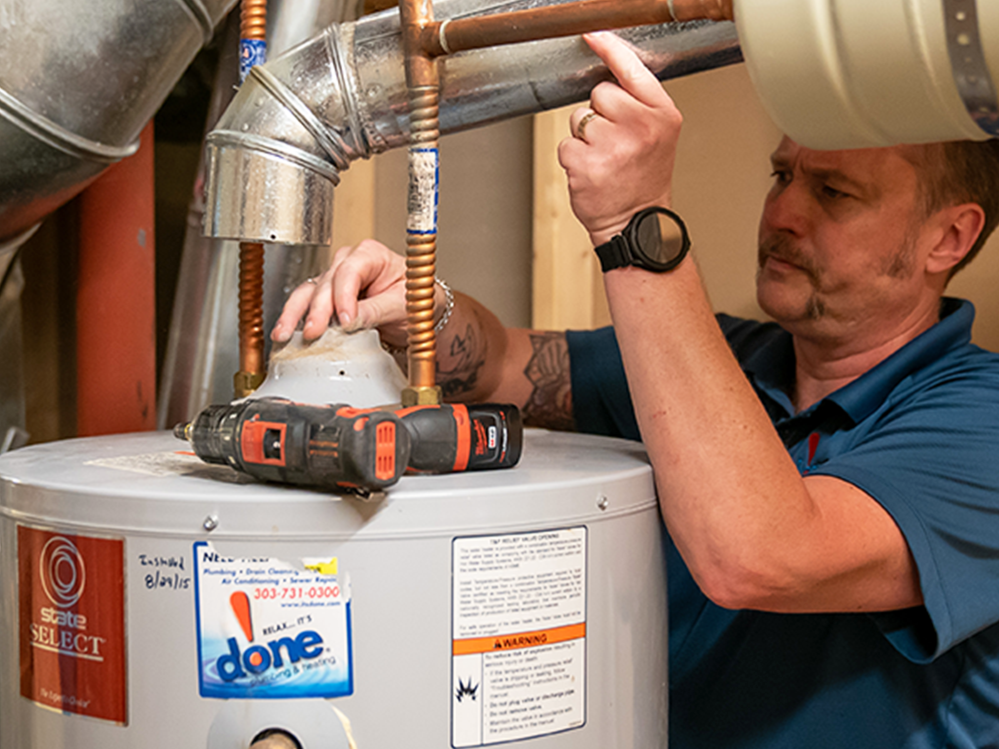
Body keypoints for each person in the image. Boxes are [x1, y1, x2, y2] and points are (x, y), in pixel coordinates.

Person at [272, 31, 999, 749]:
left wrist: (634, 227)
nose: (783, 215)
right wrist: (426, 311)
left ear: (948, 238)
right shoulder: (724, 359)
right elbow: (503, 366)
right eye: (782, 176)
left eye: (834, 193)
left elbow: (760, 554)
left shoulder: (980, 424)